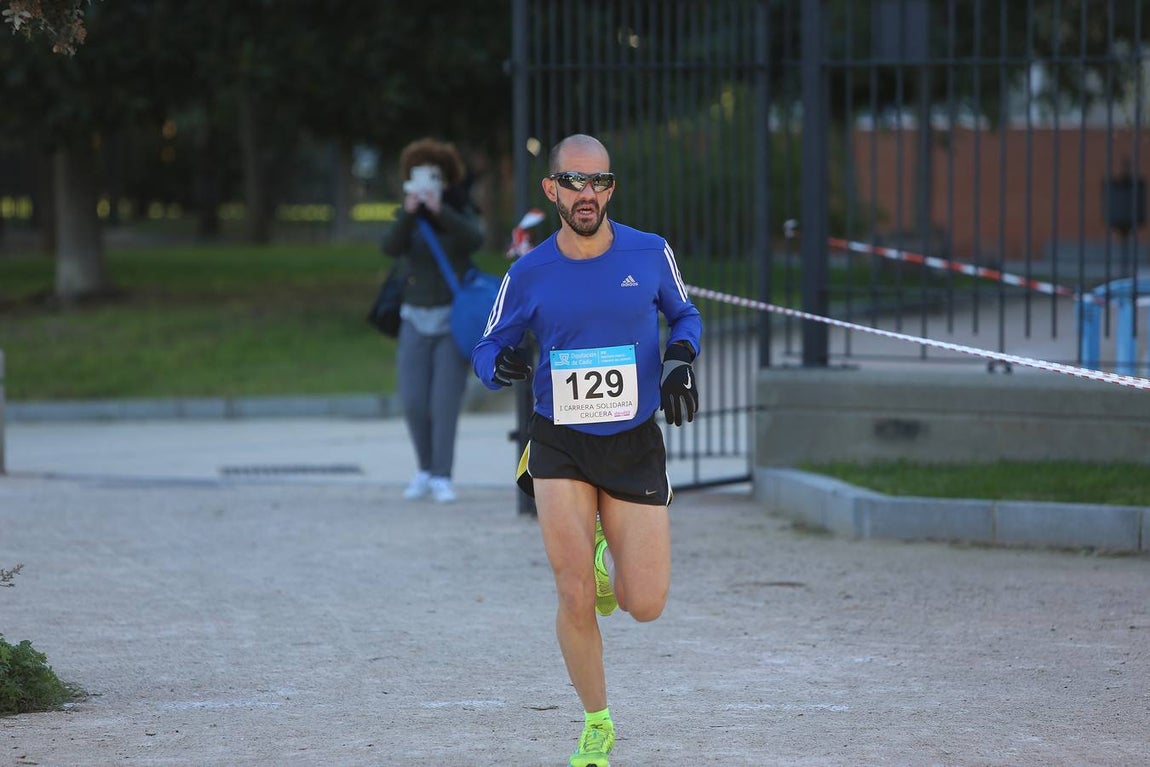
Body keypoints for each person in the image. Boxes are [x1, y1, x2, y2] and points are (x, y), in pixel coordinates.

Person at [472, 134, 701, 767]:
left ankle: (610, 563)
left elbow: (686, 317)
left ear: (610, 190)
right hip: (559, 443)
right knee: (572, 592)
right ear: (552, 191)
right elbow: (486, 348)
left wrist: (681, 362)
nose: (587, 194)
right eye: (574, 182)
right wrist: (505, 364)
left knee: (645, 603)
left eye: (599, 183)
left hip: (632, 444)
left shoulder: (649, 253)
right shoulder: (529, 272)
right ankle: (596, 723)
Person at [382, 138, 484, 503]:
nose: (426, 181)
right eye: (419, 174)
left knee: (444, 404)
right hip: (413, 317)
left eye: (434, 175)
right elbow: (388, 247)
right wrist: (411, 212)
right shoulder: (408, 215)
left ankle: (442, 474)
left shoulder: (457, 209)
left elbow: (476, 239)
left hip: (450, 321)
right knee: (412, 401)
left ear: (446, 178)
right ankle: (424, 469)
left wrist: (441, 210)